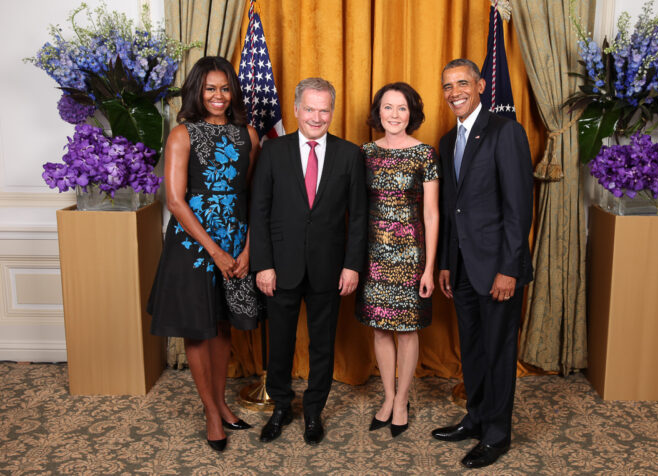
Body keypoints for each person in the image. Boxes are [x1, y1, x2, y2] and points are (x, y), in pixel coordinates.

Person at [147, 56, 260, 452]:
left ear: (233, 92)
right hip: (194, 245)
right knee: (198, 327)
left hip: (235, 240)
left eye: (225, 88)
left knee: (224, 323)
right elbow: (176, 201)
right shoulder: (182, 134)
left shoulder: (249, 134)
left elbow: (251, 196)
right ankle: (211, 413)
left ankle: (222, 403)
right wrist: (214, 251)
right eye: (210, 88)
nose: (218, 95)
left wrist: (246, 246)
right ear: (197, 90)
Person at [250, 77, 367, 445]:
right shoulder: (273, 151)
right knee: (280, 342)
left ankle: (314, 411)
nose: (317, 117)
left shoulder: (350, 155)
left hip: (329, 269)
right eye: (310, 109)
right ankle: (281, 407)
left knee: (322, 344)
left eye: (324, 109)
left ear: (332, 111)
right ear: (297, 110)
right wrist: (263, 264)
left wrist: (352, 266)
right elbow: (260, 210)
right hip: (280, 266)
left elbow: (360, 217)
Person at [432, 58, 533, 469]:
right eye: (447, 86)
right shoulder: (445, 140)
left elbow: (518, 206)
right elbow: (450, 209)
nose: (454, 92)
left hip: (497, 269)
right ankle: (475, 418)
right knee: (471, 349)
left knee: (497, 351)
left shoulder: (505, 131)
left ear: (480, 85)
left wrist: (509, 269)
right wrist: (443, 264)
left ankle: (496, 434)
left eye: (461, 83)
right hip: (461, 267)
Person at [354, 82, 439, 438]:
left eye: (401, 108)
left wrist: (430, 268)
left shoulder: (425, 154)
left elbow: (432, 214)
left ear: (411, 114)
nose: (394, 115)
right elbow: (356, 209)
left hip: (410, 257)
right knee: (380, 328)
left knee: (406, 331)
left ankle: (403, 400)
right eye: (387, 108)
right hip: (373, 255)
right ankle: (387, 398)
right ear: (378, 112)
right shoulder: (365, 152)